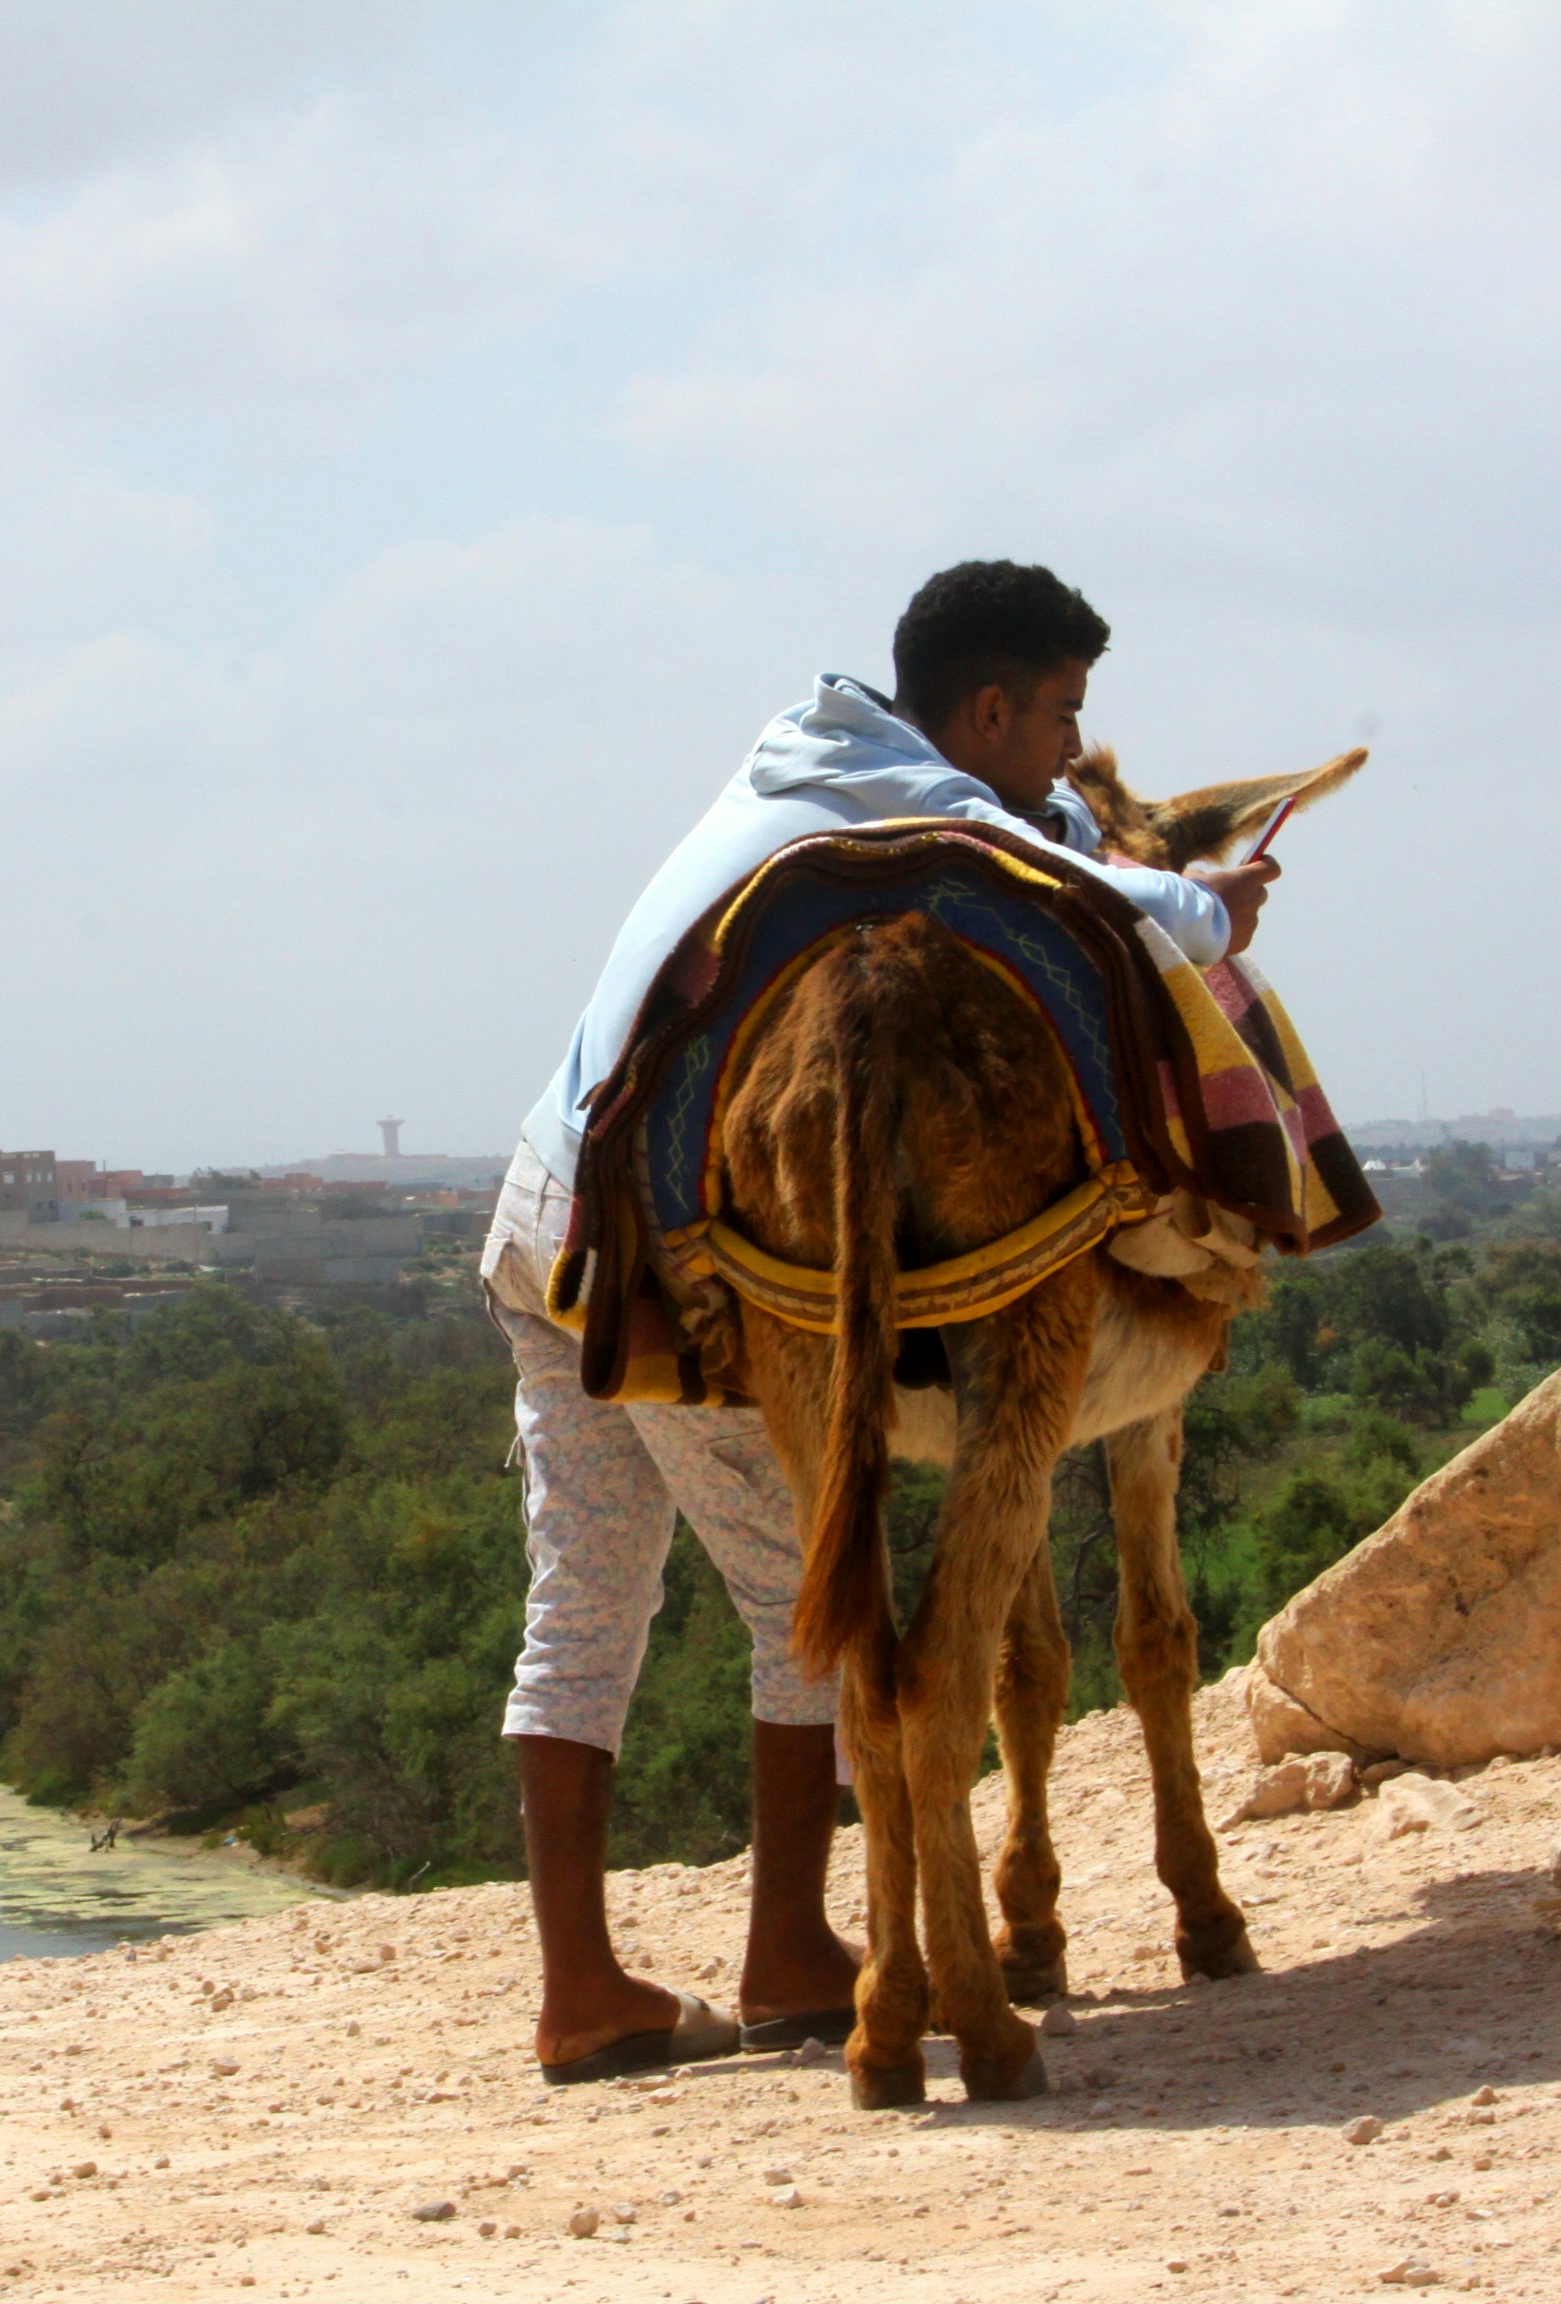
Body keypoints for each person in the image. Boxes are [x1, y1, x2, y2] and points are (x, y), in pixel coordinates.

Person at [484, 559, 1279, 2083]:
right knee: (813, 1583)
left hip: (538, 1213)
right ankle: (797, 1952)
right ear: (987, 706)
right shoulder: (917, 811)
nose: (1064, 749)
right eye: (1056, 718)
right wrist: (1211, 905)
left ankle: (581, 1991)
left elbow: (1027, 831)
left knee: (580, 1611)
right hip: (642, 1243)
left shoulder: (811, 753)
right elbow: (1085, 890)